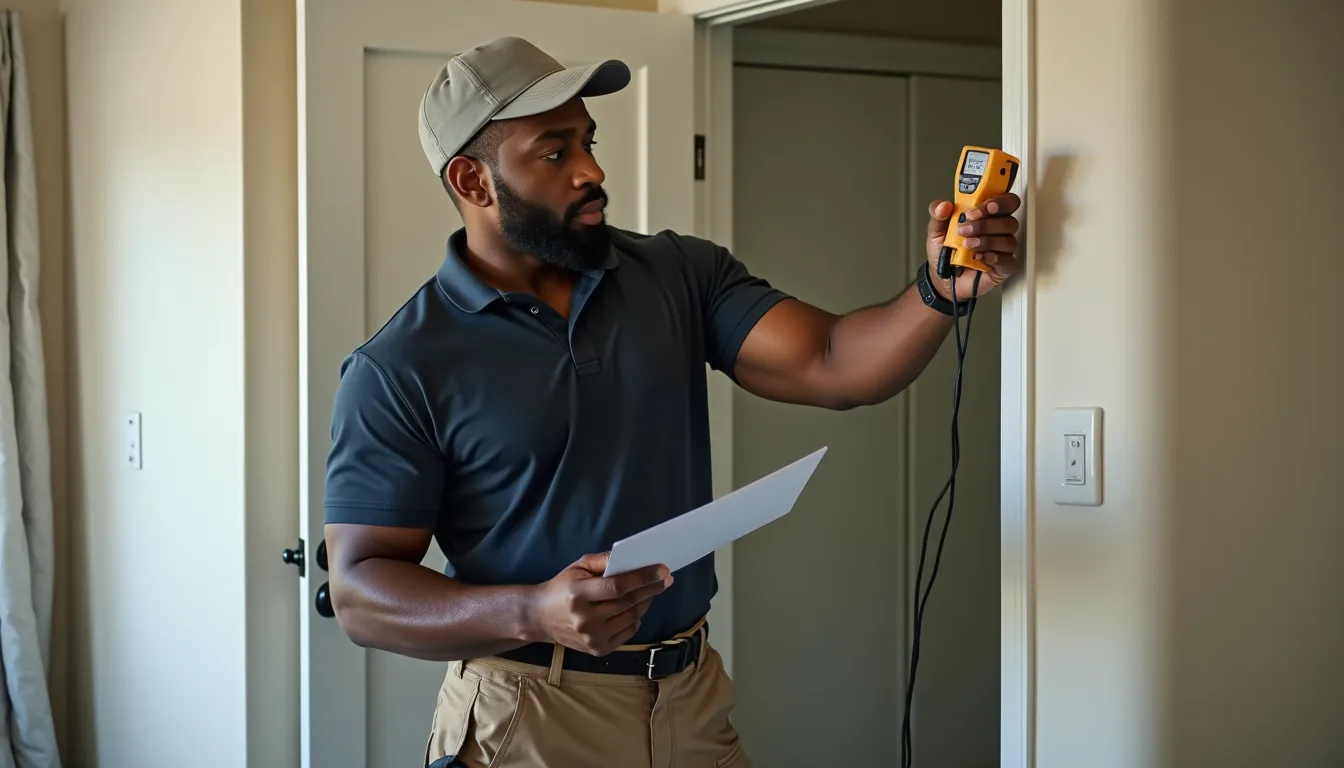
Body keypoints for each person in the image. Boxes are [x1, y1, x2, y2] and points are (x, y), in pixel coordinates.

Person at [322, 36, 1020, 768]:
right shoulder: (400, 365)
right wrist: (532, 610)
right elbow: (361, 591)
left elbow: (835, 364)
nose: (592, 171)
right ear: (473, 180)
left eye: (588, 142)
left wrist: (941, 290)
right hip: (528, 718)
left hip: (691, 700)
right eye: (554, 153)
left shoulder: (677, 274)